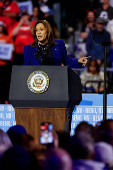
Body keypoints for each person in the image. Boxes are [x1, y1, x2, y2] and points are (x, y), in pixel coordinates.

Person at [23, 20, 89, 67]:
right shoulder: (28, 49)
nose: (38, 32)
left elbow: (66, 61)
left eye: (41, 29)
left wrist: (78, 61)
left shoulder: (58, 44)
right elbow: (26, 69)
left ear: (48, 31)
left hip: (55, 80)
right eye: (36, 30)